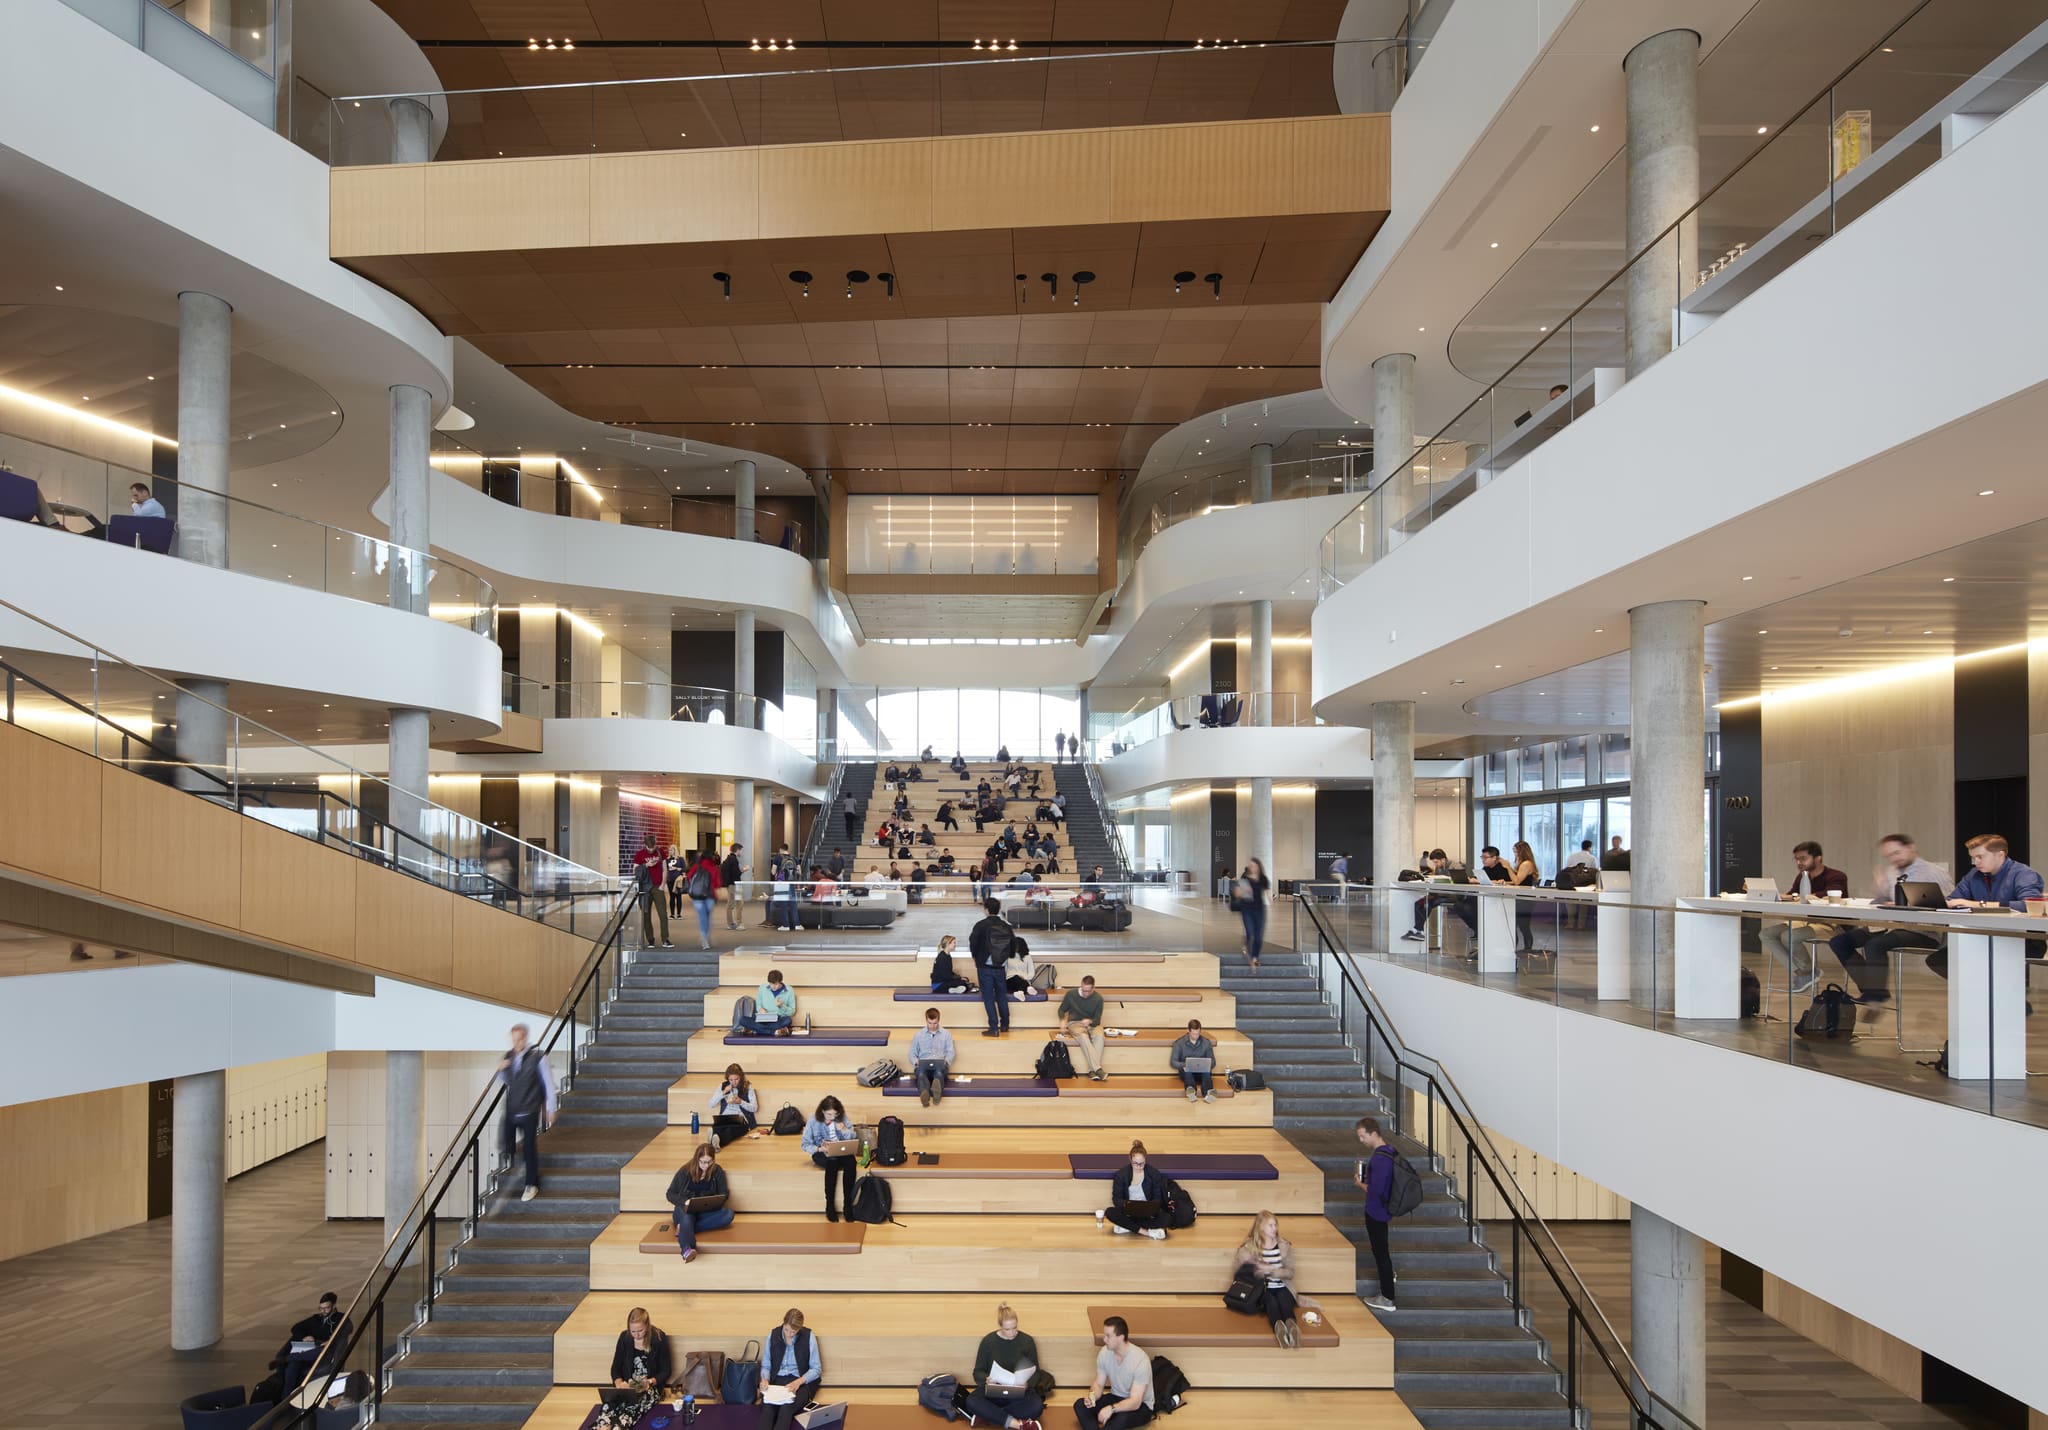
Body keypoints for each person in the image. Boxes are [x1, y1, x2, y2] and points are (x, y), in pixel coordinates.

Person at [1828, 833, 1953, 1005]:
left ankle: (1875, 996)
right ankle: (1871, 990)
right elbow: (1881, 902)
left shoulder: (1934, 872)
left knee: (1875, 945)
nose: (1894, 859)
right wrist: (1878, 889)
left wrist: (1908, 905)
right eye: (1889, 856)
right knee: (1839, 942)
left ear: (1911, 848)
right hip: (1889, 925)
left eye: (1897, 853)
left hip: (1924, 929)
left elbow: (1948, 905)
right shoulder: (1891, 872)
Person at [1937, 833, 2045, 982]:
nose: (1976, 862)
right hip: (1986, 936)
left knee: (1971, 961)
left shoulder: (2023, 874)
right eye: (1973, 858)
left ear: (2000, 855)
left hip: (2022, 939)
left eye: (1980, 857)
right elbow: (1954, 899)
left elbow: (2030, 905)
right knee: (1954, 957)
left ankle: (2012, 1003)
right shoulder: (1974, 875)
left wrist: (1978, 905)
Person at [1756, 840, 1850, 987]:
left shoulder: (1837, 876)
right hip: (1807, 920)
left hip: (1832, 924)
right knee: (1766, 934)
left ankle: (1807, 972)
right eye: (1797, 859)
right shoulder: (1802, 877)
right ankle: (1801, 972)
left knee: (1789, 936)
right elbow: (1793, 896)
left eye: (1803, 858)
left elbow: (1827, 895)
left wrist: (1797, 896)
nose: (1799, 862)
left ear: (1818, 858)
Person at [494, 1022, 556, 1201]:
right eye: (513, 1040)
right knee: (505, 1142)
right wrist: (500, 1069)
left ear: (526, 1038)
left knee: (529, 1147)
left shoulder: (538, 1057)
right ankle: (521, 1164)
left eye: (519, 1039)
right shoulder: (509, 1056)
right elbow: (507, 1080)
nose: (516, 1043)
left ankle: (531, 1184)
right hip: (512, 1108)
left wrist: (550, 1108)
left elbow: (548, 1083)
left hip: (529, 1110)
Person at [964, 1302, 1046, 1430]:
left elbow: (1036, 1373)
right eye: (1007, 1329)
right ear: (1000, 1326)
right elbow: (978, 1372)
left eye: (1015, 1327)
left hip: (1018, 1392)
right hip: (994, 1391)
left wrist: (1026, 1384)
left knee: (1037, 1406)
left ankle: (988, 1415)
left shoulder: (1027, 1341)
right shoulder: (988, 1342)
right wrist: (987, 1379)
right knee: (971, 1401)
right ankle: (1017, 1424)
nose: (1012, 1332)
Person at [257, 1291, 350, 1401]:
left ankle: (286, 1359)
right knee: (294, 1364)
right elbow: (295, 1328)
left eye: (327, 1308)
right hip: (309, 1350)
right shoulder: (315, 1319)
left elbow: (348, 1328)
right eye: (321, 1308)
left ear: (334, 1306)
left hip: (324, 1352)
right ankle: (286, 1399)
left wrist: (332, 1339)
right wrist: (305, 1336)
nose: (323, 1311)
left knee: (319, 1351)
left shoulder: (340, 1318)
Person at [1231, 1211, 1303, 1346]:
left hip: (1282, 1286)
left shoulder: (1283, 1246)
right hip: (1262, 1290)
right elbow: (1239, 1273)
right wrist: (1257, 1270)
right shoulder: (1248, 1248)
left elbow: (1291, 1272)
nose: (1274, 1228)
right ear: (1261, 1227)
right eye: (1270, 1225)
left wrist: (1274, 1271)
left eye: (1275, 1225)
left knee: (1284, 1299)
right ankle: (1279, 1328)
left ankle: (1292, 1326)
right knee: (1271, 1301)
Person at [1075, 1315, 1153, 1429]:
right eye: (1104, 1335)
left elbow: (1135, 1402)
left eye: (1108, 1336)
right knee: (1080, 1405)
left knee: (1120, 1419)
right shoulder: (1104, 1352)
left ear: (1120, 1337)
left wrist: (1111, 1409)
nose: (1104, 1339)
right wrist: (1092, 1397)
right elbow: (1099, 1384)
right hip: (1116, 1397)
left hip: (1141, 1406)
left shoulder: (1141, 1360)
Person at [756, 1307, 824, 1430]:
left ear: (800, 1328)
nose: (789, 1334)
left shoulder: (809, 1336)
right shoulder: (773, 1335)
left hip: (799, 1381)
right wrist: (765, 1379)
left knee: (786, 1409)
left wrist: (798, 1382)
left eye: (793, 1331)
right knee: (767, 1409)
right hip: (776, 1380)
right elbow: (766, 1365)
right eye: (786, 1330)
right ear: (783, 1323)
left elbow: (816, 1369)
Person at [664, 1141, 733, 1263]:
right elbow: (670, 1193)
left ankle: (684, 1228)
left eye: (709, 1162)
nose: (705, 1165)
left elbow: (724, 1194)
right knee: (687, 1218)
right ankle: (686, 1249)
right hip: (685, 1210)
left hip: (705, 1212)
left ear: (713, 1160)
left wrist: (714, 1202)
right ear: (697, 1159)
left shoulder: (717, 1172)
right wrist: (684, 1201)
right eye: (702, 1162)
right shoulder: (685, 1171)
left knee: (728, 1215)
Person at [1355, 1117, 1398, 1311]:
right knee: (1382, 1252)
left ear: (1373, 1133)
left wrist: (1361, 1184)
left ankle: (1387, 1297)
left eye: (1363, 1136)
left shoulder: (1380, 1159)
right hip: (1382, 1211)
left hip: (1376, 1212)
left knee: (1381, 1253)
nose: (1361, 1140)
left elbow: (1376, 1190)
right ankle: (1388, 1278)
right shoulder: (1390, 1152)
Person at [802, 1098, 859, 1220]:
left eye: (835, 1114)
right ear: (822, 1111)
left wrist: (844, 1130)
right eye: (829, 1114)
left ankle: (847, 1205)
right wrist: (819, 1149)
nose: (832, 1117)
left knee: (851, 1162)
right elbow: (805, 1144)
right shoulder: (813, 1121)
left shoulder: (842, 1118)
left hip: (840, 1150)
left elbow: (852, 1137)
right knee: (832, 1162)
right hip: (822, 1153)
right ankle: (830, 1205)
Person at [1401, 850, 1476, 943]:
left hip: (1454, 895)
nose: (1435, 864)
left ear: (1443, 859)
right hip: (1441, 893)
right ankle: (1418, 930)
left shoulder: (1455, 866)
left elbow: (1460, 881)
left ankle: (1418, 930)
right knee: (1419, 903)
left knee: (1428, 903)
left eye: (1436, 862)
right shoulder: (1438, 868)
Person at [971, 898, 1017, 1038]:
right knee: (1001, 995)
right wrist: (1007, 956)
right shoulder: (1006, 925)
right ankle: (1005, 1025)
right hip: (1000, 966)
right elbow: (1013, 944)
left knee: (989, 997)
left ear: (986, 909)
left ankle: (993, 1028)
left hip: (985, 966)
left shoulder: (980, 925)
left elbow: (973, 943)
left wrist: (976, 958)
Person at [1103, 1142, 1168, 1239]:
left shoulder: (1154, 1174)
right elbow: (1116, 1199)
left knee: (1167, 1219)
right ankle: (1147, 1232)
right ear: (1130, 1159)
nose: (1138, 1166)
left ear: (1145, 1160)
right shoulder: (1121, 1175)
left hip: (1147, 1213)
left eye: (1141, 1164)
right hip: (1128, 1212)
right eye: (1135, 1163)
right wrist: (1127, 1204)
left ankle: (1128, 1226)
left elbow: (1157, 1199)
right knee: (1110, 1212)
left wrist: (1149, 1207)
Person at [611, 1306, 672, 1402]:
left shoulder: (658, 1339)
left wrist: (650, 1382)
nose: (636, 1335)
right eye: (633, 1331)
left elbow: (665, 1371)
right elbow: (615, 1368)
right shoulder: (624, 1338)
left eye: (640, 1331)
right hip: (628, 1387)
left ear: (647, 1326)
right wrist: (619, 1383)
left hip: (650, 1387)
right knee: (610, 1406)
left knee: (637, 1405)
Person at [1059, 974, 1108, 1082]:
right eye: (1083, 990)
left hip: (1092, 1023)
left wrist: (1090, 1021)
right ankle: (1098, 1069)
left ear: (1093, 988)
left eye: (1088, 991)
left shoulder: (1098, 999)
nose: (1085, 993)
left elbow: (1097, 1020)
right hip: (1075, 1022)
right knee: (1083, 1037)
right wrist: (1062, 1020)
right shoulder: (1071, 994)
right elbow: (1062, 1010)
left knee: (1099, 1037)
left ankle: (1092, 1070)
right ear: (1081, 985)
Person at [912, 1006, 956, 1107]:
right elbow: (912, 1052)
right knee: (921, 1074)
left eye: (935, 1023)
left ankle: (937, 1095)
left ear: (939, 1020)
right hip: (923, 1065)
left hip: (940, 1065)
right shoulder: (918, 1035)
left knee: (939, 1073)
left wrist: (946, 1061)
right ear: (926, 1021)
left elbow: (950, 1052)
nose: (932, 1026)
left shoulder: (946, 1034)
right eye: (930, 1023)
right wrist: (916, 1061)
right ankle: (925, 1095)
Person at [634, 834, 673, 948]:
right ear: (645, 845)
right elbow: (635, 870)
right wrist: (646, 865)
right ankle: (650, 939)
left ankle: (665, 939)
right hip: (644, 888)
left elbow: (665, 869)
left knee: (663, 914)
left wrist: (662, 885)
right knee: (646, 914)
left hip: (657, 887)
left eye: (653, 847)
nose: (651, 850)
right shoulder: (639, 854)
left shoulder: (660, 852)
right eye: (649, 848)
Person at [708, 1063, 758, 1145]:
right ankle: (714, 1140)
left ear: (741, 1077)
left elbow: (755, 1108)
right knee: (718, 1127)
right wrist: (723, 1092)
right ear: (727, 1079)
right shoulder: (723, 1086)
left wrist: (741, 1102)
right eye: (731, 1080)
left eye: (736, 1079)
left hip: (741, 1119)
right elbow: (711, 1104)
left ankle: (715, 1143)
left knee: (731, 1130)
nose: (734, 1082)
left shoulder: (747, 1086)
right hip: (725, 1117)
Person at [1235, 857, 1271, 968]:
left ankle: (1255, 957)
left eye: (1254, 866)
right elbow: (1238, 894)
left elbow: (1268, 891)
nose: (1252, 868)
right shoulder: (1244, 877)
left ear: (1258, 866)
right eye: (1250, 866)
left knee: (1258, 935)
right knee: (1250, 932)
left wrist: (1271, 901)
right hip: (1247, 908)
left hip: (1259, 909)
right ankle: (1246, 944)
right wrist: (1243, 891)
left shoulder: (1263, 878)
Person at [1507, 840, 1542, 953]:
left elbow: (1517, 881)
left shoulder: (1527, 864)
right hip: (1521, 897)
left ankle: (1527, 950)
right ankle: (1518, 948)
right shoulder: (1522, 864)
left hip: (1525, 899)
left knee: (1523, 926)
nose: (1515, 855)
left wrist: (1508, 867)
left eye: (1516, 852)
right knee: (1520, 925)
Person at [1170, 1018, 1216, 1103]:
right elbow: (1173, 1062)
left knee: (1206, 1072)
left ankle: (1208, 1094)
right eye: (1194, 1034)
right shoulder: (1179, 1043)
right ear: (1188, 1031)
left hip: (1202, 1072)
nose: (1196, 1036)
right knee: (1188, 1071)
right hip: (1186, 1072)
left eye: (1198, 1033)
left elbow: (1213, 1062)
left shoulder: (1206, 1043)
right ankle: (1191, 1092)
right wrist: (1184, 1065)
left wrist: (1205, 1064)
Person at [686, 846, 724, 950]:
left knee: (702, 917)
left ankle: (704, 937)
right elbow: (717, 884)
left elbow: (689, 877)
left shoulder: (696, 867)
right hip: (710, 896)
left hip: (697, 896)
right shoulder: (714, 868)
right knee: (707, 917)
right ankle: (705, 937)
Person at [753, 969, 796, 1035]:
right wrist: (760, 1009)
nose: (773, 986)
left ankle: (759, 1029)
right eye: (771, 984)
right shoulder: (762, 988)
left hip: (779, 1019)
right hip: (764, 1019)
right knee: (742, 1020)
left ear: (780, 982)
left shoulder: (789, 990)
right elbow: (758, 1004)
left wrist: (782, 1006)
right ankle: (774, 1031)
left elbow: (792, 1012)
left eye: (776, 984)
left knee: (788, 1020)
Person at [722, 842, 748, 930]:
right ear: (737, 850)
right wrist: (744, 870)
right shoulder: (734, 860)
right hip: (735, 884)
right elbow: (736, 874)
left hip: (730, 884)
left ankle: (730, 923)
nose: (741, 853)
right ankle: (739, 923)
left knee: (730, 904)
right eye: (741, 851)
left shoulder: (728, 859)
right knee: (739, 903)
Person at [668, 844, 688, 919]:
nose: (670, 851)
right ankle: (672, 914)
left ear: (675, 850)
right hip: (670, 880)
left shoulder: (680, 859)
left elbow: (684, 868)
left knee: (678, 897)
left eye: (671, 850)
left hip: (678, 879)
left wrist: (677, 868)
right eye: (669, 850)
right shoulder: (668, 859)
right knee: (672, 897)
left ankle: (679, 914)